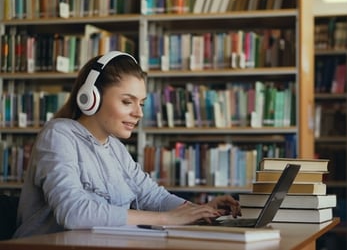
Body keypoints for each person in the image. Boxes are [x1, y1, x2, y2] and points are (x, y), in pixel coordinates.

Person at [13, 51, 241, 238]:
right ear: (91, 98)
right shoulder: (59, 135)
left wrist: (200, 210)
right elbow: (74, 213)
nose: (138, 112)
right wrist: (166, 219)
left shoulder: (114, 147)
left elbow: (153, 197)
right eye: (126, 101)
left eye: (141, 103)